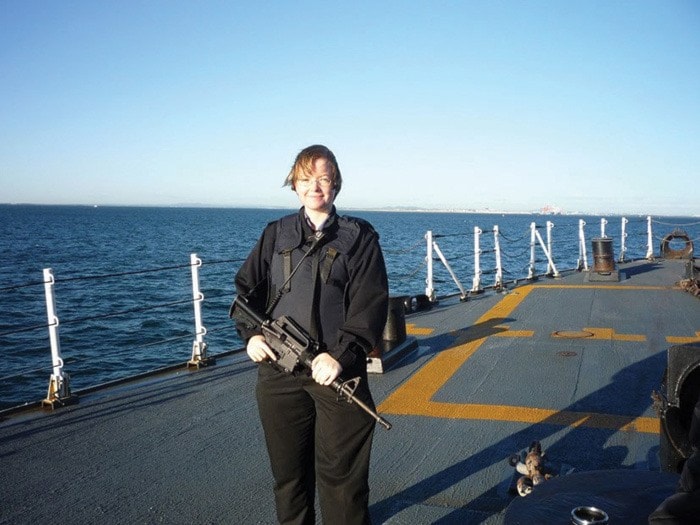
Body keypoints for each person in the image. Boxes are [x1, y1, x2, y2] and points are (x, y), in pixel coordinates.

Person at [234, 144, 389, 525]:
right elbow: (245, 292)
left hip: (338, 376)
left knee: (343, 483)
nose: (314, 187)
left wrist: (340, 355)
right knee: (289, 478)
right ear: (295, 185)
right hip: (278, 372)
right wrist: (251, 336)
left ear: (335, 184)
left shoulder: (360, 238)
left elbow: (371, 304)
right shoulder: (276, 234)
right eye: (306, 179)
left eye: (323, 178)